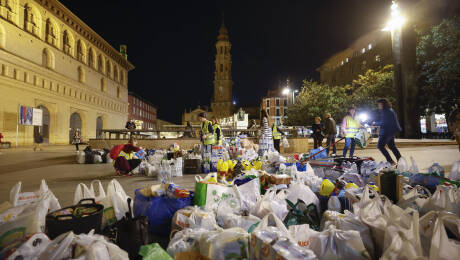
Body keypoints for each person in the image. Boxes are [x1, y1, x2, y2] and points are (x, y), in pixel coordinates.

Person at [373, 98, 403, 164]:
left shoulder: (386, 111)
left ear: (383, 104)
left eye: (379, 104)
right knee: (392, 146)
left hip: (387, 131)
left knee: (380, 146)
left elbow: (385, 123)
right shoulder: (389, 110)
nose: (378, 106)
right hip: (391, 131)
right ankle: (400, 161)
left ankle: (390, 161)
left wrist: (375, 123)